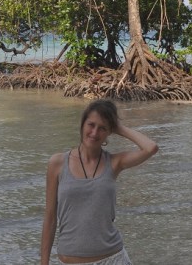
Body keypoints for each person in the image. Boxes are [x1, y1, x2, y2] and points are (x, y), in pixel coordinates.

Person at [41, 99, 159, 265]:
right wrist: (44, 262)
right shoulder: (58, 163)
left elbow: (151, 148)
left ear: (109, 132)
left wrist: (118, 127)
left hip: (112, 259)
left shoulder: (114, 163)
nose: (94, 133)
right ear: (82, 124)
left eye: (102, 128)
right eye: (91, 125)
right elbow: (50, 218)